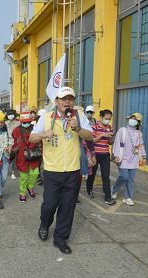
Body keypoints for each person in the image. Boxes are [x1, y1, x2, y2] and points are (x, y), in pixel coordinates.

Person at [30, 87, 93, 254]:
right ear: (56, 101)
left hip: (73, 170)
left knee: (68, 206)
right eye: (64, 99)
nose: (67, 102)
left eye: (70, 99)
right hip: (52, 170)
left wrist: (78, 128)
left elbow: (90, 136)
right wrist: (44, 134)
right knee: (49, 204)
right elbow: (32, 137)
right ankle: (45, 224)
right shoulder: (46, 117)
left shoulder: (79, 116)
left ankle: (60, 239)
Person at [111, 112, 146, 206]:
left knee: (130, 179)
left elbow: (140, 146)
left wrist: (143, 156)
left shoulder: (139, 133)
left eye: (135, 119)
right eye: (132, 118)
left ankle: (128, 197)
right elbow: (117, 143)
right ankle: (113, 189)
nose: (133, 120)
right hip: (123, 158)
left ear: (138, 122)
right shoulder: (122, 130)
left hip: (134, 159)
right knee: (124, 176)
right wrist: (116, 155)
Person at [86, 109, 115, 204]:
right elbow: (91, 141)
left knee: (106, 176)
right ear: (101, 117)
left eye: (109, 119)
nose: (108, 120)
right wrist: (102, 135)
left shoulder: (110, 127)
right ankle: (89, 189)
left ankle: (108, 197)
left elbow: (110, 142)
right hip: (95, 154)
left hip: (105, 155)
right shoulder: (94, 128)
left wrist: (111, 138)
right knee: (92, 174)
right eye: (106, 118)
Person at [12, 112, 42, 203]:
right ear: (21, 122)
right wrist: (14, 148)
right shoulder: (16, 130)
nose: (26, 124)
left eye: (27, 122)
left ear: (30, 121)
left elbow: (40, 141)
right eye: (24, 122)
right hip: (22, 156)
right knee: (23, 177)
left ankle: (30, 187)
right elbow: (14, 143)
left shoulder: (35, 129)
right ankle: (22, 192)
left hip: (33, 155)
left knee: (35, 173)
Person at [5, 109, 20, 180]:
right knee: (7, 157)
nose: (10, 116)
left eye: (11, 114)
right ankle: (5, 169)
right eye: (9, 114)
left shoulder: (18, 123)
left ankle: (13, 172)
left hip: (15, 142)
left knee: (14, 157)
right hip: (6, 142)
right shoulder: (5, 123)